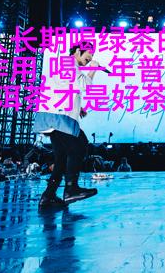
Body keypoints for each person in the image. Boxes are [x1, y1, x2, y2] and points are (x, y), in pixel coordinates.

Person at [33, 43, 101, 208]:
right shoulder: (69, 64)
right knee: (80, 145)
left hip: (54, 117)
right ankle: (71, 189)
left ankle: (48, 195)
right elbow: (83, 85)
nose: (89, 59)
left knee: (61, 158)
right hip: (58, 117)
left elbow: (65, 88)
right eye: (88, 56)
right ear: (78, 51)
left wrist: (79, 108)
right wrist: (93, 69)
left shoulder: (67, 65)